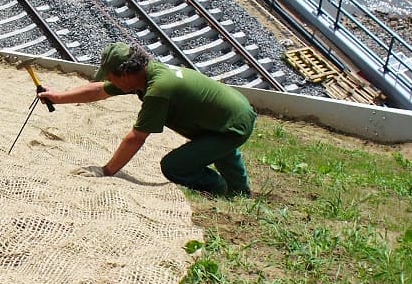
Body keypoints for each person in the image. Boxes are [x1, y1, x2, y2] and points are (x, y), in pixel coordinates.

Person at [38, 42, 257, 198]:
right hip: (226, 116)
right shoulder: (146, 74)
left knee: (174, 166)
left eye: (109, 75)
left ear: (124, 74)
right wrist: (57, 97)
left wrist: (106, 171)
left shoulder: (157, 89)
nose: (107, 79)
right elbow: (98, 92)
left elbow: (136, 138)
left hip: (230, 125)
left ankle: (217, 188)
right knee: (222, 151)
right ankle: (239, 193)